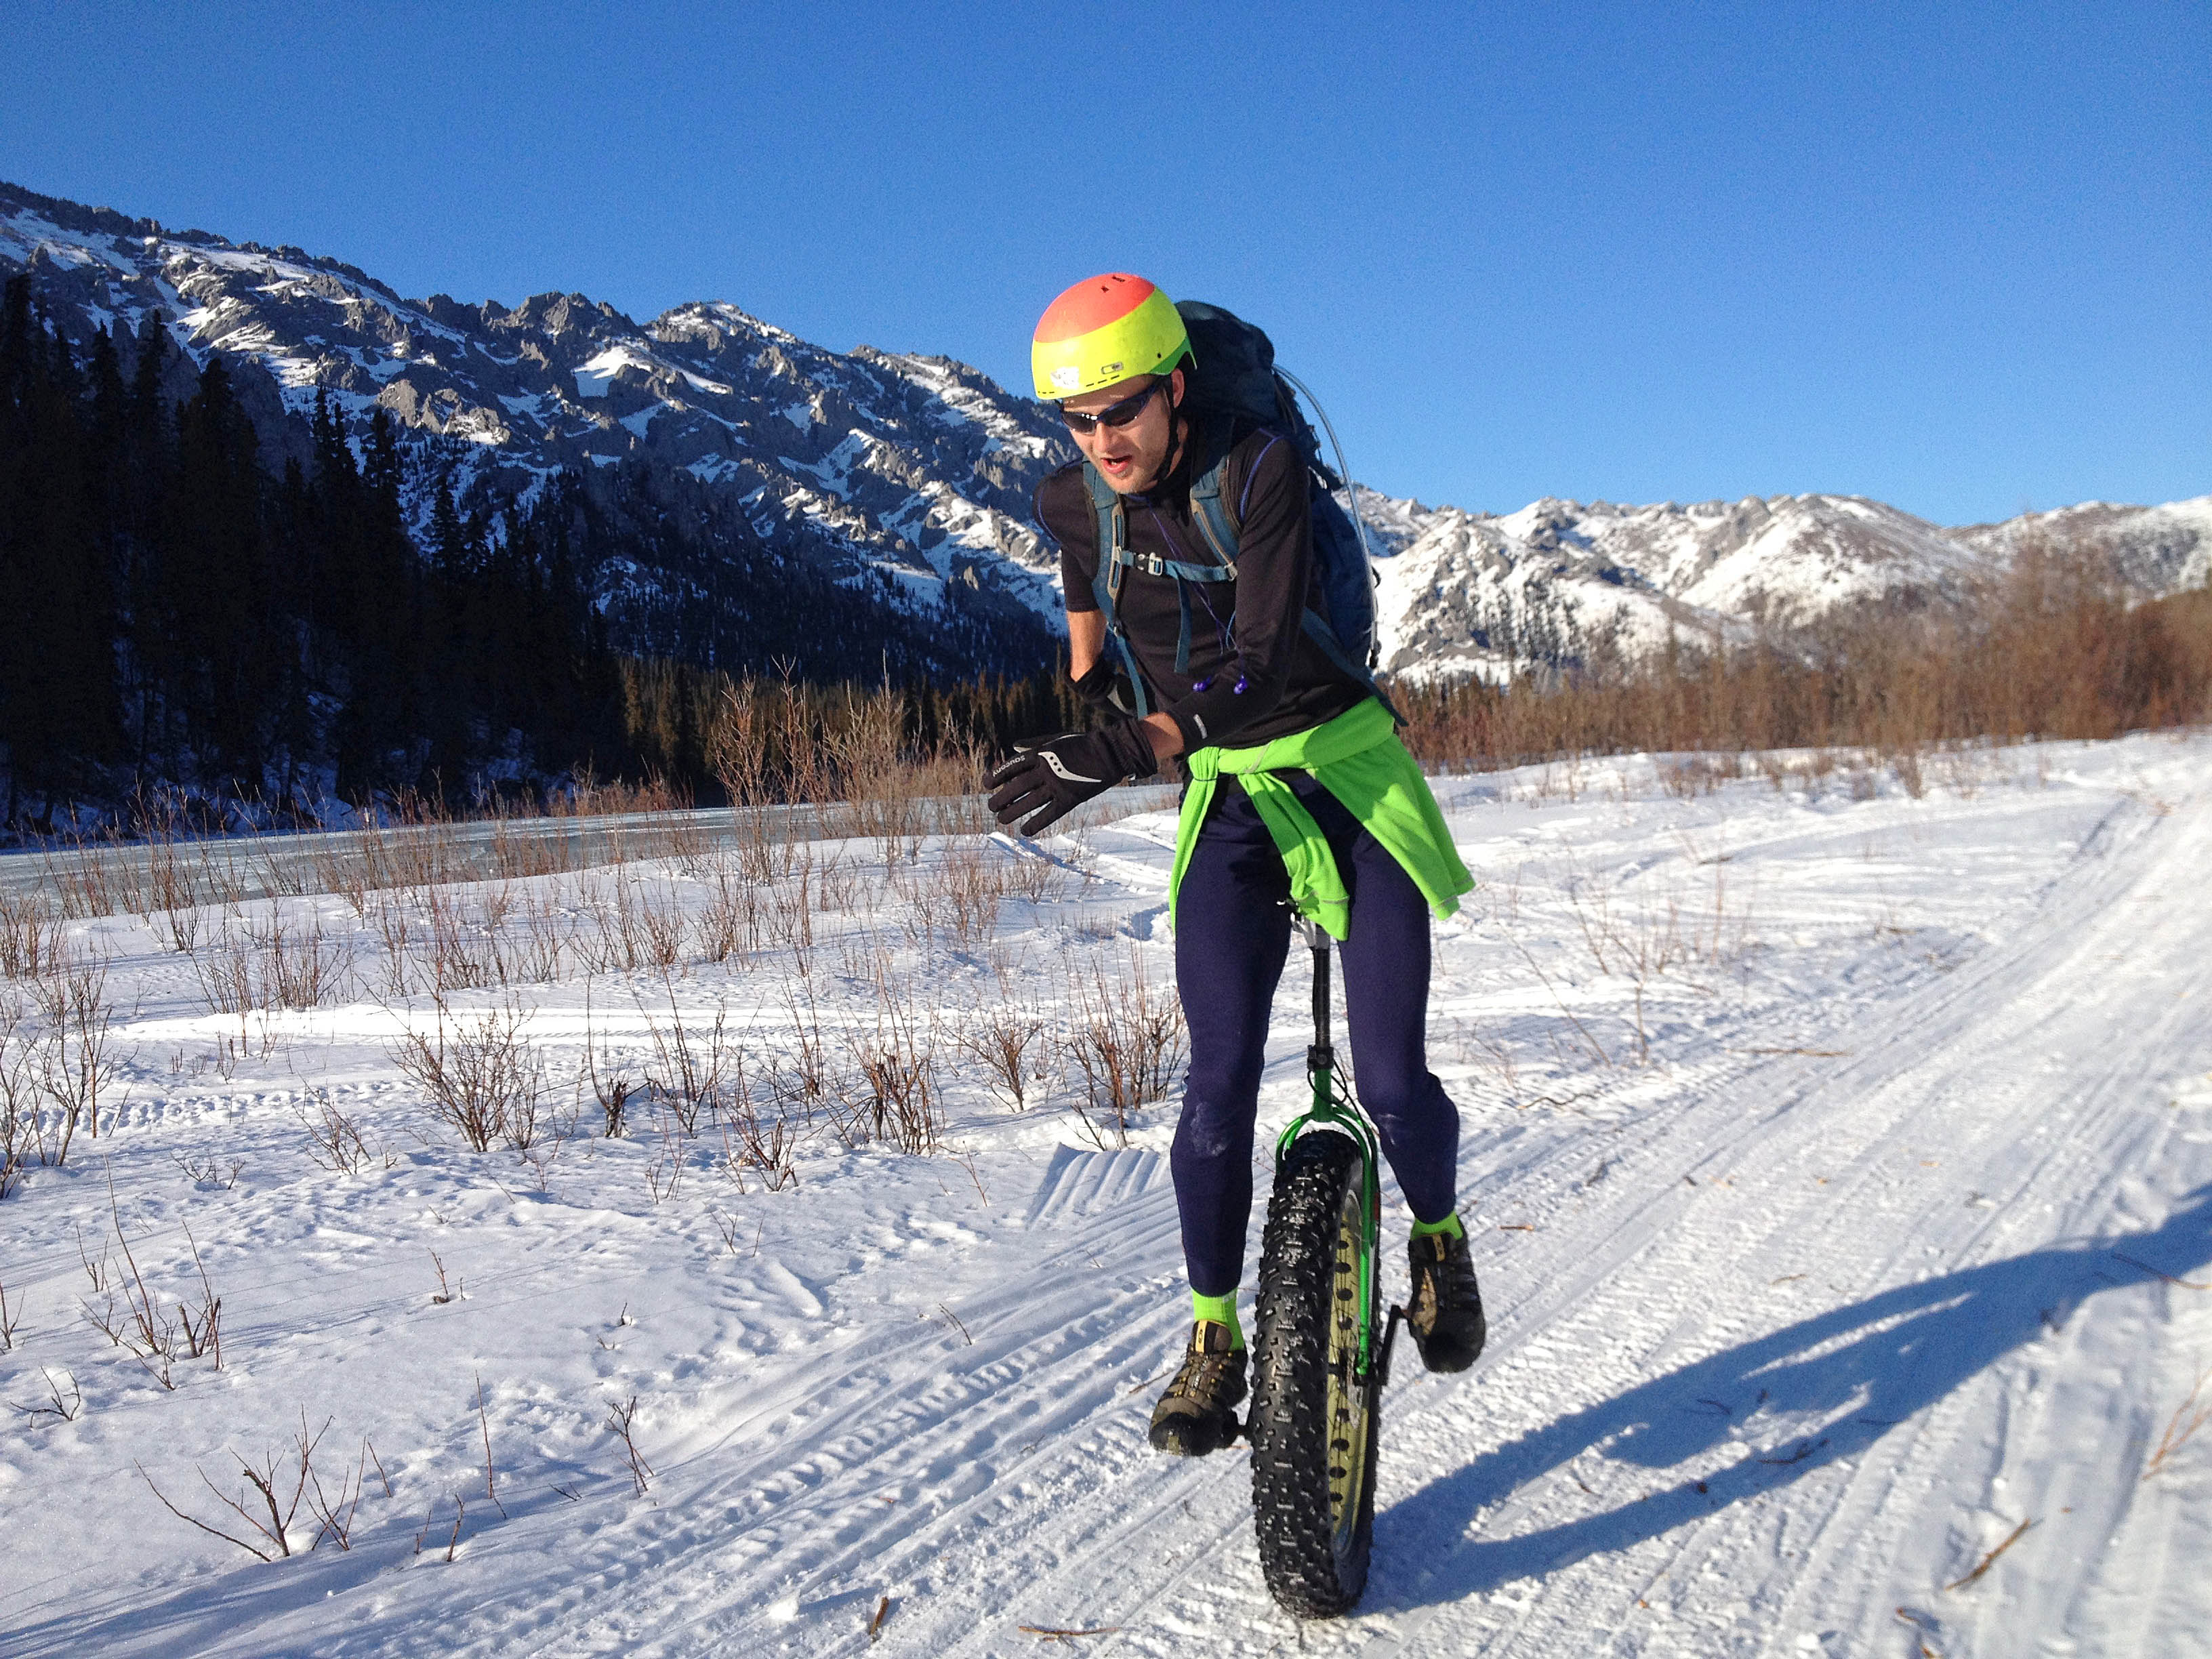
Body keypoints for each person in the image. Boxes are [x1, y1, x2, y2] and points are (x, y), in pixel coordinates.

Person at [989, 273, 1487, 1457]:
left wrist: (1130, 742)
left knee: (1394, 1079)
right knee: (1213, 1091)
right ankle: (1215, 1339)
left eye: (1123, 410)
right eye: (1080, 418)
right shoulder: (1074, 497)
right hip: (1232, 803)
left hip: (1348, 778)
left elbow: (1260, 659)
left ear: (1171, 388)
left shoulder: (1257, 470)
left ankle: (1439, 1239)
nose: (1104, 439)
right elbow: (1080, 562)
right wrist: (1082, 674)